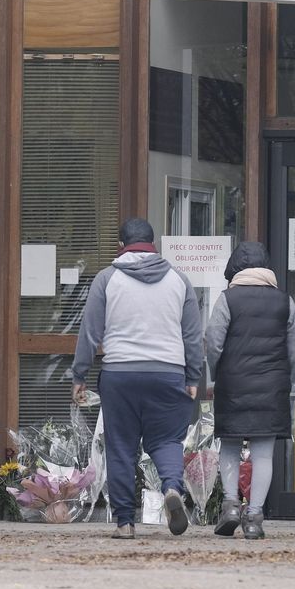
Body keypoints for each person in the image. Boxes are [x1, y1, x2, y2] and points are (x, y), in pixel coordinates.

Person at [72, 217, 203, 539]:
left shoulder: (107, 278)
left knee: (121, 447)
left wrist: (80, 374)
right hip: (168, 372)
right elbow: (192, 335)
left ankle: (125, 523)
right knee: (167, 441)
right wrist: (193, 375)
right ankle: (172, 489)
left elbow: (90, 331)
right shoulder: (178, 279)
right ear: (153, 244)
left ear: (121, 245)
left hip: (120, 373)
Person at [204, 241, 295, 540]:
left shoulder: (227, 300)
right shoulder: (286, 302)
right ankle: (255, 515)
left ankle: (231, 505)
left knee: (230, 448)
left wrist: (217, 372)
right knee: (263, 454)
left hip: (233, 384)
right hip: (271, 386)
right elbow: (292, 351)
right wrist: (280, 374)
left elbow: (213, 342)